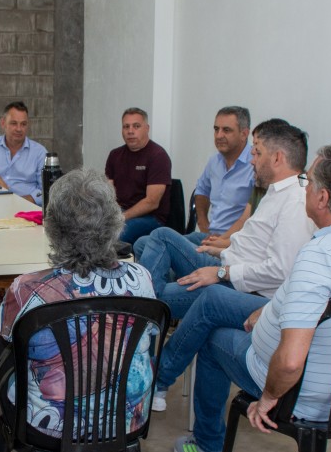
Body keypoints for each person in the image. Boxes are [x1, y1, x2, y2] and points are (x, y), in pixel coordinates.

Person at [172, 144, 331, 452]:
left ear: (323, 198)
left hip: (304, 395)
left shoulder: (320, 255)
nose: (303, 188)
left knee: (213, 339)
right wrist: (265, 313)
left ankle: (208, 446)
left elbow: (292, 360)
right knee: (226, 312)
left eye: (307, 182)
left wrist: (268, 398)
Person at [0, 169, 157, 452]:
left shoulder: (28, 288)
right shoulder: (141, 279)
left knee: (6, 345)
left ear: (51, 227)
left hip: (50, 427)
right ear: (114, 223)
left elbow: (5, 341)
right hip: (126, 418)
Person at [139, 120, 316, 325]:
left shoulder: (294, 201)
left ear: (277, 158)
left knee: (146, 295)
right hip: (226, 259)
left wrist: (222, 271)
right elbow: (251, 239)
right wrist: (218, 247)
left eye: (257, 152)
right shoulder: (275, 190)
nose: (252, 160)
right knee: (154, 240)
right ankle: (145, 311)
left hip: (235, 279)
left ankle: (140, 311)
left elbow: (277, 268)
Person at [134, 106, 254, 262]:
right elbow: (202, 191)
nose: (219, 135)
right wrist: (203, 223)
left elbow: (250, 216)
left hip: (233, 245)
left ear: (244, 134)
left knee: (162, 236)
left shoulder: (255, 165)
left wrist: (222, 240)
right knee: (142, 243)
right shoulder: (214, 162)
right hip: (208, 236)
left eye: (226, 130)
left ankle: (171, 280)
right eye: (216, 129)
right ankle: (175, 277)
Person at [104, 108, 173, 244]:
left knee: (117, 234)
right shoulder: (114, 155)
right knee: (85, 228)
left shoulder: (158, 156)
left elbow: (151, 202)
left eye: (136, 126)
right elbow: (108, 193)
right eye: (126, 126)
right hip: (121, 213)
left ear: (147, 128)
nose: (130, 131)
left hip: (150, 218)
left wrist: (122, 217)